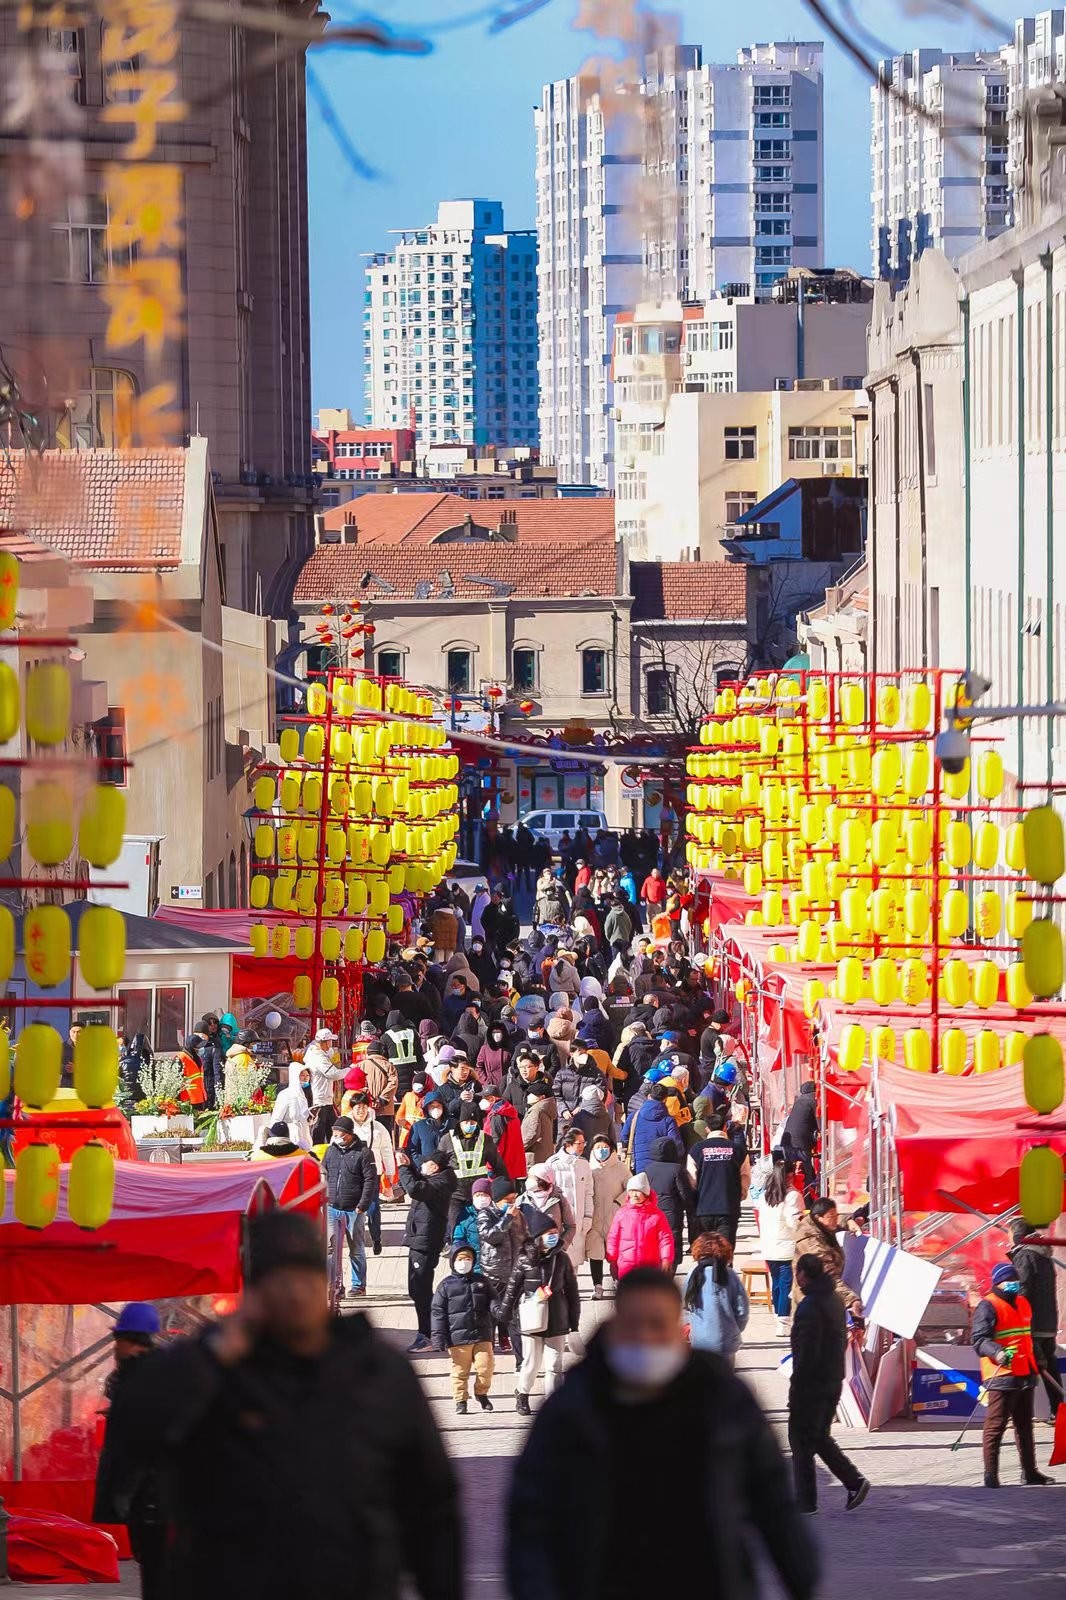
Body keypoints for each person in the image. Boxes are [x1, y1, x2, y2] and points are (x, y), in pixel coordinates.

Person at [95, 1210, 462, 1600]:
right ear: (254, 1293)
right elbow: (136, 1423)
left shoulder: (376, 1370)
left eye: (306, 1279)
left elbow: (432, 1502)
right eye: (281, 1282)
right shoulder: (216, 1367)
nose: (296, 1295)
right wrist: (214, 1353)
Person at [507, 1266, 819, 1600]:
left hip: (709, 1584)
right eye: (632, 1325)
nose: (644, 1336)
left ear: (681, 1330)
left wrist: (801, 1579)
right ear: (614, 1325)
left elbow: (772, 1500)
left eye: (657, 1325)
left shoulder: (722, 1398)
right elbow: (531, 1514)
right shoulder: (572, 1406)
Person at [93, 1304, 166, 1600]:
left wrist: (123, 1489)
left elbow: (142, 1440)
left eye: (118, 1339)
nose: (115, 1347)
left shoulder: (141, 1379)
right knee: (153, 1565)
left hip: (151, 1496)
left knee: (157, 1567)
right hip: (154, 1495)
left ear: (130, 1340)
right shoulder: (153, 1374)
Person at [789, 1253, 871, 1513]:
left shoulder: (809, 1306)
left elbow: (807, 1352)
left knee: (801, 1438)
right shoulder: (833, 1299)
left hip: (812, 1383)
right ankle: (853, 1482)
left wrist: (797, 1386)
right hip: (832, 1377)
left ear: (803, 1275)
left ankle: (807, 1501)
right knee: (816, 1436)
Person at [971, 1260, 1054, 1487]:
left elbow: (1028, 1336)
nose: (1014, 1284)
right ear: (998, 1283)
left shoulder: (1023, 1303)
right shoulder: (988, 1305)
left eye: (1015, 1280)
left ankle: (1030, 1472)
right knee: (996, 1425)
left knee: (1025, 1425)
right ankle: (991, 1473)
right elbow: (979, 1340)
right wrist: (997, 1352)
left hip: (1025, 1371)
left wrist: (1039, 1358)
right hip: (1002, 1374)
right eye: (1009, 1281)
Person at [495, 1210, 582, 1416]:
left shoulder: (562, 1259)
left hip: (557, 1318)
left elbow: (572, 1291)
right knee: (531, 1363)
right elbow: (512, 1290)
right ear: (538, 1236)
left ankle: (553, 1404)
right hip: (532, 1318)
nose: (554, 1236)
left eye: (555, 1232)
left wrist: (574, 1322)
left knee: (554, 1365)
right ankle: (522, 1392)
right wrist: (504, 1313)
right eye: (549, 1233)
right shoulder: (524, 1260)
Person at [397, 1147, 456, 1353]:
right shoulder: (435, 1179)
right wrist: (410, 1167)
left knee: (421, 1289)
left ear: (435, 1167)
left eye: (425, 1164)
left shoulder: (441, 1182)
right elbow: (420, 1181)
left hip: (426, 1240)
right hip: (419, 1239)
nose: (422, 1166)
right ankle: (432, 1332)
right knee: (416, 1289)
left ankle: (430, 1335)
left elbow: (416, 1189)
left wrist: (403, 1168)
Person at [431, 1241, 497, 1415]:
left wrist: (500, 1311)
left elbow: (494, 1301)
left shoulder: (482, 1281)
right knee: (460, 1371)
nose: (464, 1262)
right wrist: (438, 1338)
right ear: (453, 1261)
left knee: (486, 1366)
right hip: (458, 1337)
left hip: (482, 1334)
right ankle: (461, 1400)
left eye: (468, 1258)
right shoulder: (446, 1285)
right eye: (460, 1259)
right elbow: (437, 1312)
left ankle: (481, 1393)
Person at [1009, 1218, 1062, 1417]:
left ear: (1017, 1234)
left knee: (1028, 1368)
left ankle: (1022, 1414)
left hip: (1032, 1323)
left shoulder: (1025, 1255)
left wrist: (1015, 1313)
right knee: (1049, 1367)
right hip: (1047, 1322)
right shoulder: (1044, 1256)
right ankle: (1058, 1410)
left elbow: (1023, 1290)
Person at [322, 1115, 377, 1299]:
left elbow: (370, 1181)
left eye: (339, 1134)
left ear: (348, 1134)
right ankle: (335, 1286)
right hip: (332, 1207)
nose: (336, 1137)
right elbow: (323, 1173)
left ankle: (358, 1285)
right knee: (331, 1249)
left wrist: (362, 1205)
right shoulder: (331, 1151)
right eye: (334, 1133)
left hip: (354, 1209)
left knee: (356, 1248)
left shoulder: (364, 1153)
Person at [475, 1175, 528, 1361]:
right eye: (507, 1200)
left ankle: (521, 1361)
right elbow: (491, 1236)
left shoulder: (519, 1215)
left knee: (515, 1319)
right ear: (497, 1199)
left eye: (514, 1199)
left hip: (515, 1274)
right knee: (491, 1318)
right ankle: (485, 1360)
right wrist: (507, 1218)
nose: (512, 1203)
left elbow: (525, 1238)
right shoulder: (486, 1214)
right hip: (494, 1274)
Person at [756, 1149, 804, 1337]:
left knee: (776, 1283)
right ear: (790, 1175)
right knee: (785, 1285)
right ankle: (783, 1322)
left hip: (769, 1246)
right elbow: (794, 1222)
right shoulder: (792, 1196)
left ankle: (778, 1316)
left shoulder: (766, 1195)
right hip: (786, 1247)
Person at [682, 1233, 749, 1364]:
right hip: (726, 1340)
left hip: (700, 1341)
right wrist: (734, 1329)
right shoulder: (730, 1275)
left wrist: (692, 1327)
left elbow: (685, 1306)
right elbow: (742, 1310)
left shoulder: (693, 1275)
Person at [439, 1103, 506, 1232]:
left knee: (481, 1228)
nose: (469, 1125)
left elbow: (498, 1166)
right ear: (460, 1122)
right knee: (454, 1227)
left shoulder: (485, 1139)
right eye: (466, 1122)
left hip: (480, 1194)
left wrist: (504, 1188)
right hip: (455, 1194)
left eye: (473, 1122)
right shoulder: (447, 1139)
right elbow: (439, 1165)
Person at [685, 1111, 747, 1249]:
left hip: (703, 1209)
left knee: (705, 1251)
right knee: (725, 1251)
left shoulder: (696, 1150)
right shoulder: (737, 1150)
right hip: (728, 1208)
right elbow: (745, 1176)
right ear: (725, 1127)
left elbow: (691, 1180)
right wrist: (740, 1195)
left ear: (707, 1129)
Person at [792, 1198, 863, 1317]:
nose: (835, 1219)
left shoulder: (818, 1226)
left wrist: (849, 1221)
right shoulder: (812, 1243)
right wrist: (851, 1300)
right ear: (818, 1217)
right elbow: (828, 1276)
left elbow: (836, 1220)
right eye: (831, 1216)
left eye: (836, 1215)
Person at [606, 1174, 675, 1280]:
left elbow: (665, 1239)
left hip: (649, 1268)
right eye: (631, 1191)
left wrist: (666, 1259)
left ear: (646, 1193)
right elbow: (613, 1238)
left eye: (638, 1191)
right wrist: (612, 1260)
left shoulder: (657, 1215)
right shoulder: (621, 1214)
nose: (634, 1194)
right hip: (626, 1267)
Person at [547, 1128, 594, 1272]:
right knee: (558, 1264)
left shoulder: (583, 1164)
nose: (582, 1147)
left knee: (574, 1266)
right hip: (559, 1222)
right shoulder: (553, 1164)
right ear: (568, 1144)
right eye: (579, 1143)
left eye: (584, 1143)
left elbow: (589, 1193)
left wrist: (588, 1217)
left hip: (578, 1221)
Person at [587, 1135, 627, 1300]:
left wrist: (618, 1203)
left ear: (611, 1149)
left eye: (605, 1147)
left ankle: (617, 1281)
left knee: (615, 1253)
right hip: (594, 1219)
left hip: (614, 1218)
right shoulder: (589, 1169)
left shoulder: (621, 1168)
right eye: (598, 1148)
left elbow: (630, 1188)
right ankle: (597, 1286)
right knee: (595, 1254)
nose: (601, 1151)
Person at [643, 1136, 691, 1267]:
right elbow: (684, 1193)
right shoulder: (677, 1169)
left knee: (655, 1240)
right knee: (672, 1240)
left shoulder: (648, 1170)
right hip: (672, 1212)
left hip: (652, 1212)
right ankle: (671, 1268)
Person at [621, 1081, 683, 1173]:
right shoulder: (668, 1120)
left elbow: (624, 1137)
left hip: (638, 1166)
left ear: (649, 1096)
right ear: (665, 1100)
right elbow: (677, 1145)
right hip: (660, 1169)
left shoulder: (634, 1116)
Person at [304, 1026, 347, 1144]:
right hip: (320, 1101)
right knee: (319, 1133)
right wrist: (349, 1070)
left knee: (332, 1131)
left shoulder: (314, 1052)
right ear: (324, 1042)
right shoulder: (318, 1057)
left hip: (325, 1099)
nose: (330, 1045)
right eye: (329, 1041)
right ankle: (316, 1153)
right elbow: (333, 1074)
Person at [783, 1080, 819, 1191]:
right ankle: (808, 1197)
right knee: (806, 1172)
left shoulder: (799, 1100)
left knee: (791, 1172)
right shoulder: (813, 1099)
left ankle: (791, 1193)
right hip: (800, 1143)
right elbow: (820, 1120)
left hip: (787, 1140)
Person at [272, 1064, 312, 1151]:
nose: (305, 1078)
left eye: (307, 1075)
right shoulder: (285, 1094)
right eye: (302, 1075)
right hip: (290, 1135)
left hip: (304, 1134)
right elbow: (276, 1118)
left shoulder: (305, 1094)